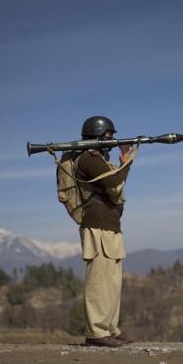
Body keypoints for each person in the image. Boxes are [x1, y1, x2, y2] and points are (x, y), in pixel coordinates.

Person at [75, 115, 135, 347]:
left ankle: (109, 329)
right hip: (97, 226)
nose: (112, 140)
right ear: (97, 136)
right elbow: (113, 184)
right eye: (109, 136)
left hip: (110, 226)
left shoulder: (100, 159)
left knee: (112, 282)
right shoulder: (90, 159)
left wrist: (123, 162)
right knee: (99, 281)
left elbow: (115, 184)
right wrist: (127, 160)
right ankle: (96, 333)